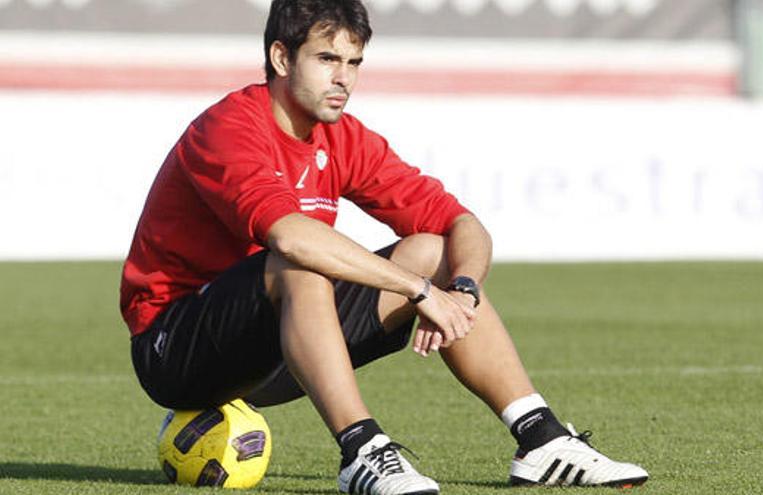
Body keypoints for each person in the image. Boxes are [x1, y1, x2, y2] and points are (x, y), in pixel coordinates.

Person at [120, 0, 649, 493]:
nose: (342, 78)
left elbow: (461, 223)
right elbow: (289, 236)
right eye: (327, 58)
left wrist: (460, 289)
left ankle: (541, 437)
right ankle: (363, 453)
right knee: (299, 263)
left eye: (353, 62)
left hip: (274, 352)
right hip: (174, 348)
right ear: (281, 57)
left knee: (435, 251)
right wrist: (418, 292)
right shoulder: (230, 127)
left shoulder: (343, 136)